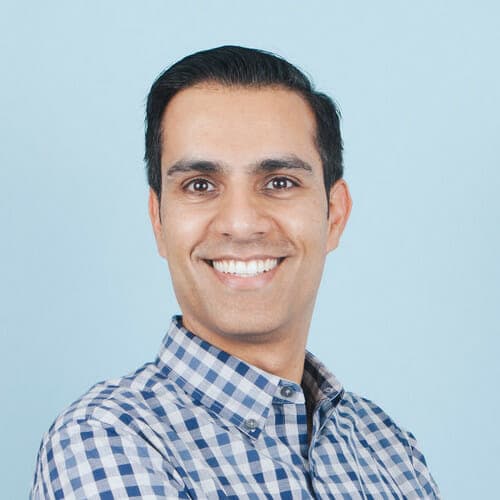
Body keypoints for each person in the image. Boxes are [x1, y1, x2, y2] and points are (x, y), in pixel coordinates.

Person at [31, 45, 439, 499]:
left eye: (280, 182)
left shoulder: (388, 449)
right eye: (200, 185)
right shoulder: (105, 439)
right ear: (158, 222)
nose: (241, 224)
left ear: (335, 215)